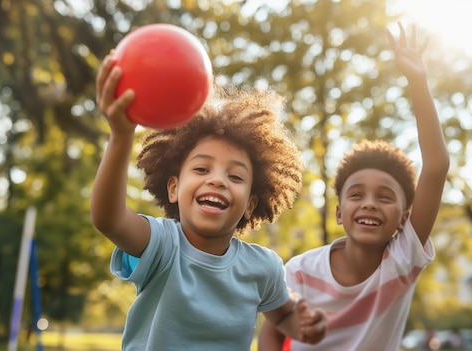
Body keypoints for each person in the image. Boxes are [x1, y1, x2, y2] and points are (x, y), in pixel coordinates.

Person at [91, 51, 328, 350]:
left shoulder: (262, 267)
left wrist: (304, 324)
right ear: (174, 188)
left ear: (251, 204)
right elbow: (108, 219)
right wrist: (121, 135)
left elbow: (284, 314)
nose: (217, 180)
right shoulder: (161, 245)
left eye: (236, 177)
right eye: (202, 169)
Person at [258, 22, 450, 351]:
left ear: (405, 218)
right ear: (338, 212)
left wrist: (418, 81)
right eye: (357, 194)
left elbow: (436, 166)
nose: (370, 203)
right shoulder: (301, 271)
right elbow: (273, 333)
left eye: (385, 197)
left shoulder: (402, 259)